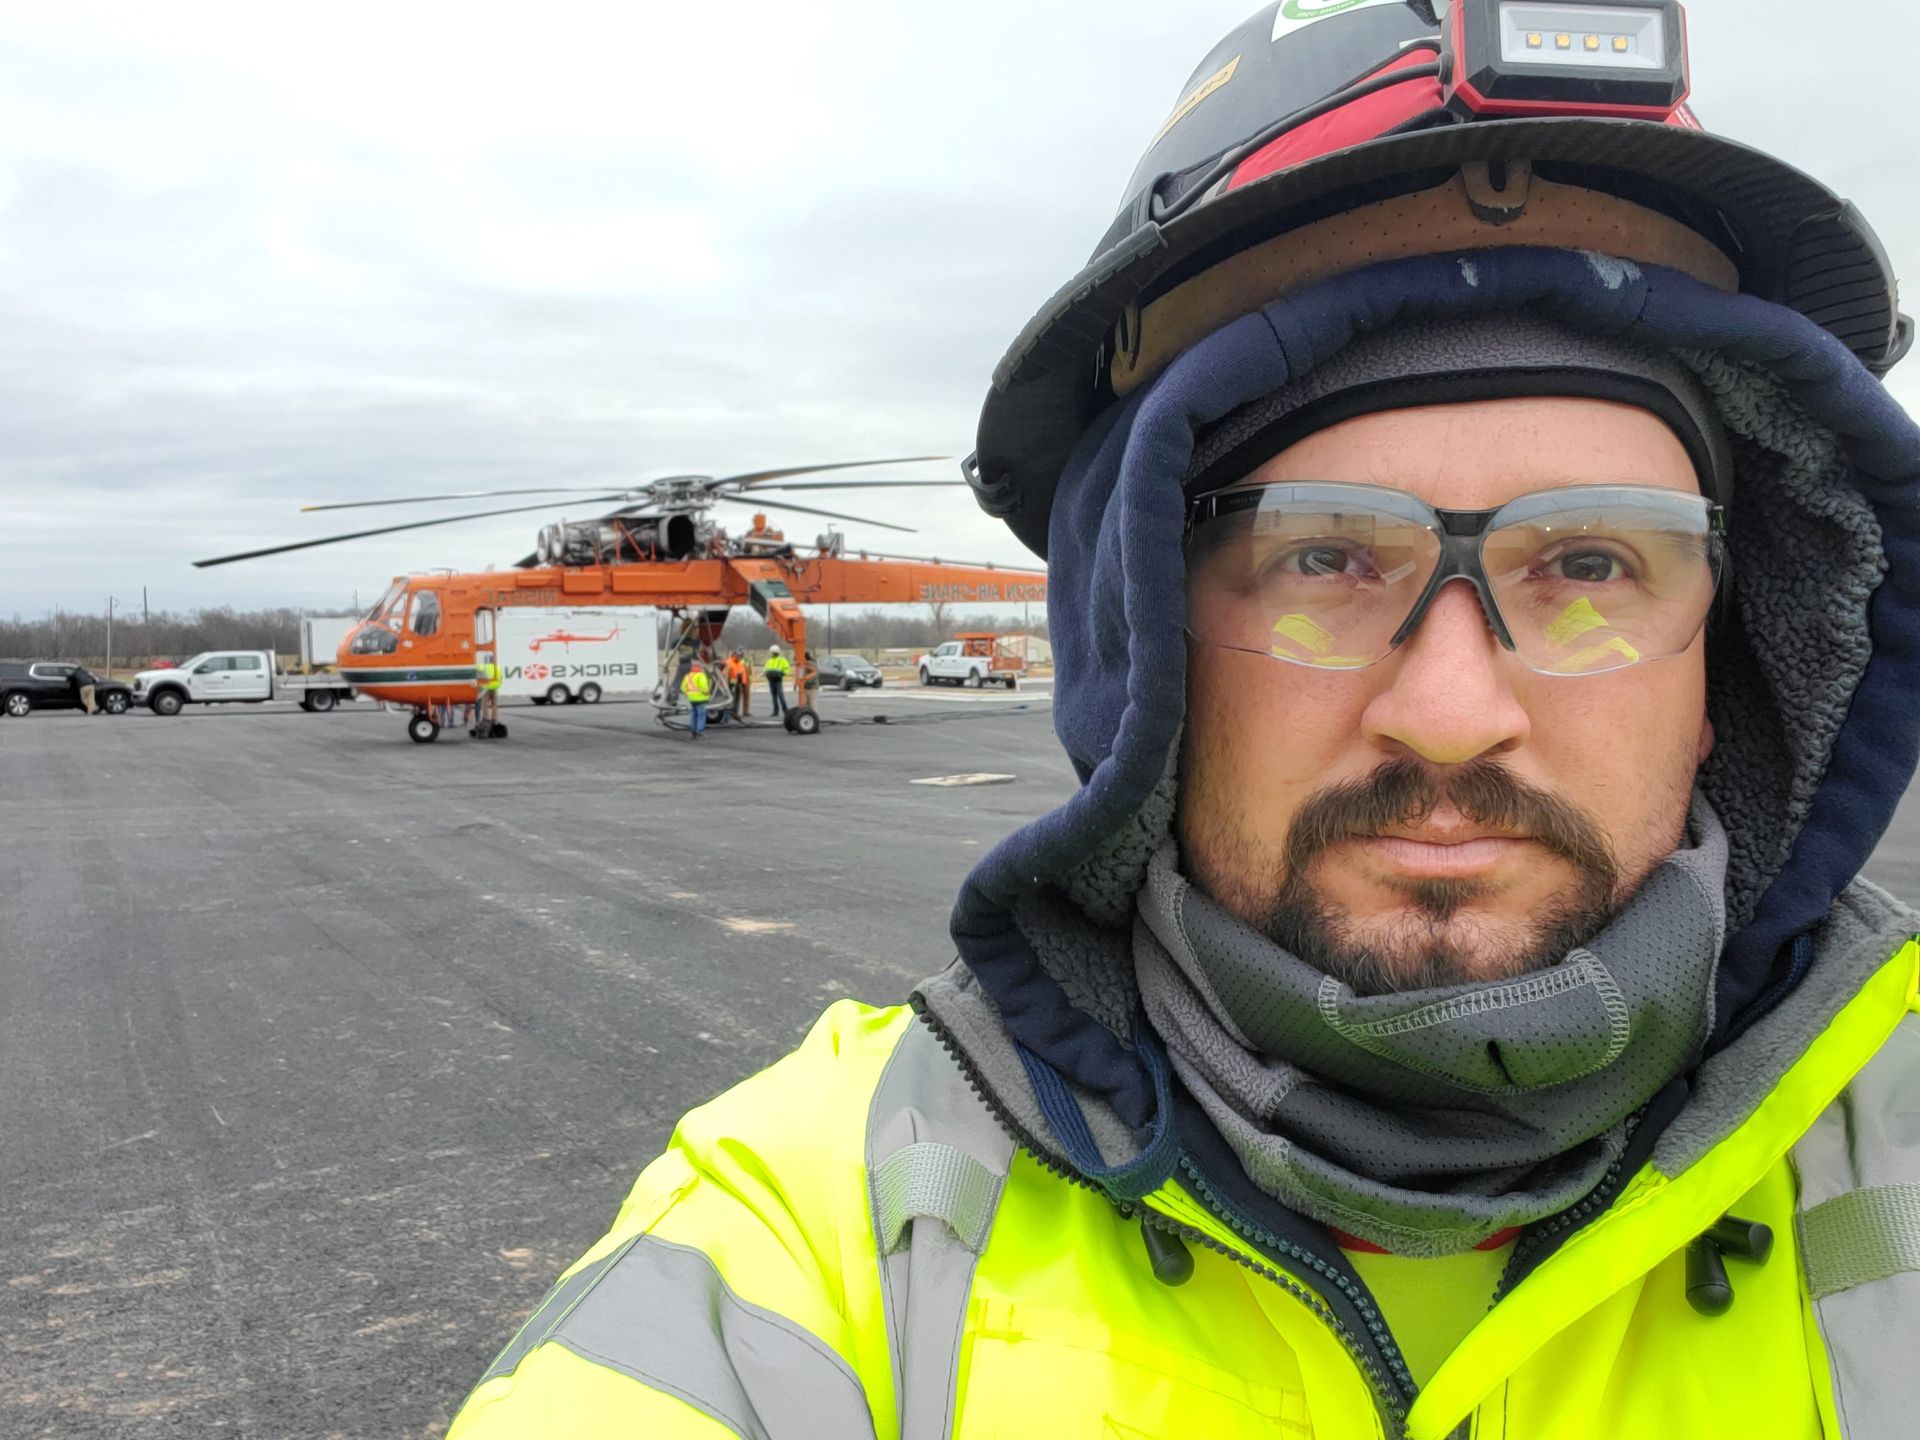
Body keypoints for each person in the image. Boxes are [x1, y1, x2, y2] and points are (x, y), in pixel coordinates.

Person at [448, 5, 1920, 1436]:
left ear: (1730, 664)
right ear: (1142, 652)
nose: (1456, 716)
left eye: (1592, 564)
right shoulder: (816, 1220)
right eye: (1324, 559)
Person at [680, 660, 713, 739]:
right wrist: (708, 692)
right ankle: (700, 732)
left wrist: (688, 694)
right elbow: (704, 689)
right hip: (701, 699)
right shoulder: (701, 675)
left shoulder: (687, 676)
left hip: (691, 699)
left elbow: (682, 688)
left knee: (693, 715)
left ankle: (693, 732)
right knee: (701, 716)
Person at [473, 655, 502, 738]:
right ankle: (495, 718)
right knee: (495, 705)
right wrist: (498, 686)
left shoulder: (484, 667)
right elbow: (501, 678)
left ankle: (486, 717)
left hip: (487, 688)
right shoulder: (497, 667)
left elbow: (477, 669)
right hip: (495, 688)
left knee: (485, 704)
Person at [763, 643, 791, 718]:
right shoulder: (769, 661)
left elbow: (788, 669)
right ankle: (776, 711)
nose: (773, 654)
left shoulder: (782, 660)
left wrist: (782, 674)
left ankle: (785, 711)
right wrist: (765, 674)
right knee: (774, 696)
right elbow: (765, 670)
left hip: (778, 680)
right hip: (771, 680)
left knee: (780, 696)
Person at [724, 649, 750, 719]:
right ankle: (729, 714)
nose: (738, 657)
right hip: (731, 685)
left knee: (737, 700)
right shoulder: (728, 663)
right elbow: (726, 675)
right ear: (733, 655)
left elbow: (743, 674)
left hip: (739, 684)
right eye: (737, 656)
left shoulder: (740, 664)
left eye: (739, 656)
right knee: (731, 700)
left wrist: (743, 683)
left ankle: (735, 713)